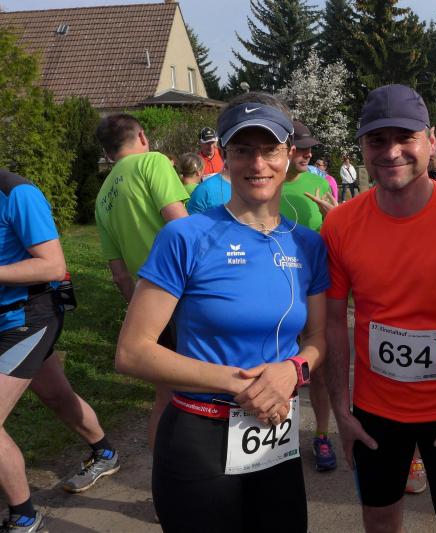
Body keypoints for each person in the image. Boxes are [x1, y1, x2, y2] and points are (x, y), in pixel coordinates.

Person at [115, 93, 327, 533]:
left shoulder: (308, 244)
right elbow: (133, 352)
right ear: (224, 157)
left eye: (269, 149)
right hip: (200, 434)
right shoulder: (186, 236)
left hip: (274, 433)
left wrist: (293, 371)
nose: (258, 163)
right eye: (243, 149)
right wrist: (241, 383)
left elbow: (317, 339)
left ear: (289, 155)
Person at [322, 84, 436, 532]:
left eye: (405, 137)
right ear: (362, 146)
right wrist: (342, 415)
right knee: (379, 525)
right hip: (374, 414)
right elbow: (331, 323)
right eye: (377, 140)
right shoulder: (341, 223)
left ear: (431, 140)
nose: (391, 152)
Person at [0, 172, 120, 533]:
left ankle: (24, 518)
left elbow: (53, 265)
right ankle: (105, 452)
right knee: (55, 394)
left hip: (28, 317)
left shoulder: (17, 193)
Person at [94, 114, 189, 449]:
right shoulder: (153, 162)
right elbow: (182, 227)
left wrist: (139, 310)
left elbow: (119, 274)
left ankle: (161, 470)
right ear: (143, 137)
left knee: (165, 394)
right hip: (187, 291)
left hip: (149, 302)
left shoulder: (101, 197)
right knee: (210, 382)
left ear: (107, 153)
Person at [281, 120, 338, 472]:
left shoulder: (319, 182)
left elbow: (338, 234)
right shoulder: (268, 184)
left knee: (317, 366)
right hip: (277, 288)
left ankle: (321, 434)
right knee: (279, 364)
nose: (307, 154)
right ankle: (277, 435)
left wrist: (336, 216)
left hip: (314, 286)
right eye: (300, 148)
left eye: (309, 149)